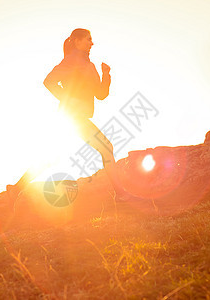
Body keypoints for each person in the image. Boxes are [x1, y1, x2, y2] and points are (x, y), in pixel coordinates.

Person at [8, 28, 129, 203]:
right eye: (88, 39)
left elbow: (101, 94)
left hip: (77, 118)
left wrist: (106, 75)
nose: (91, 43)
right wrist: (68, 98)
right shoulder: (70, 62)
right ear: (77, 41)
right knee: (106, 148)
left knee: (52, 157)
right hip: (72, 117)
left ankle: (17, 188)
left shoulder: (90, 66)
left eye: (91, 40)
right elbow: (49, 81)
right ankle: (121, 194)